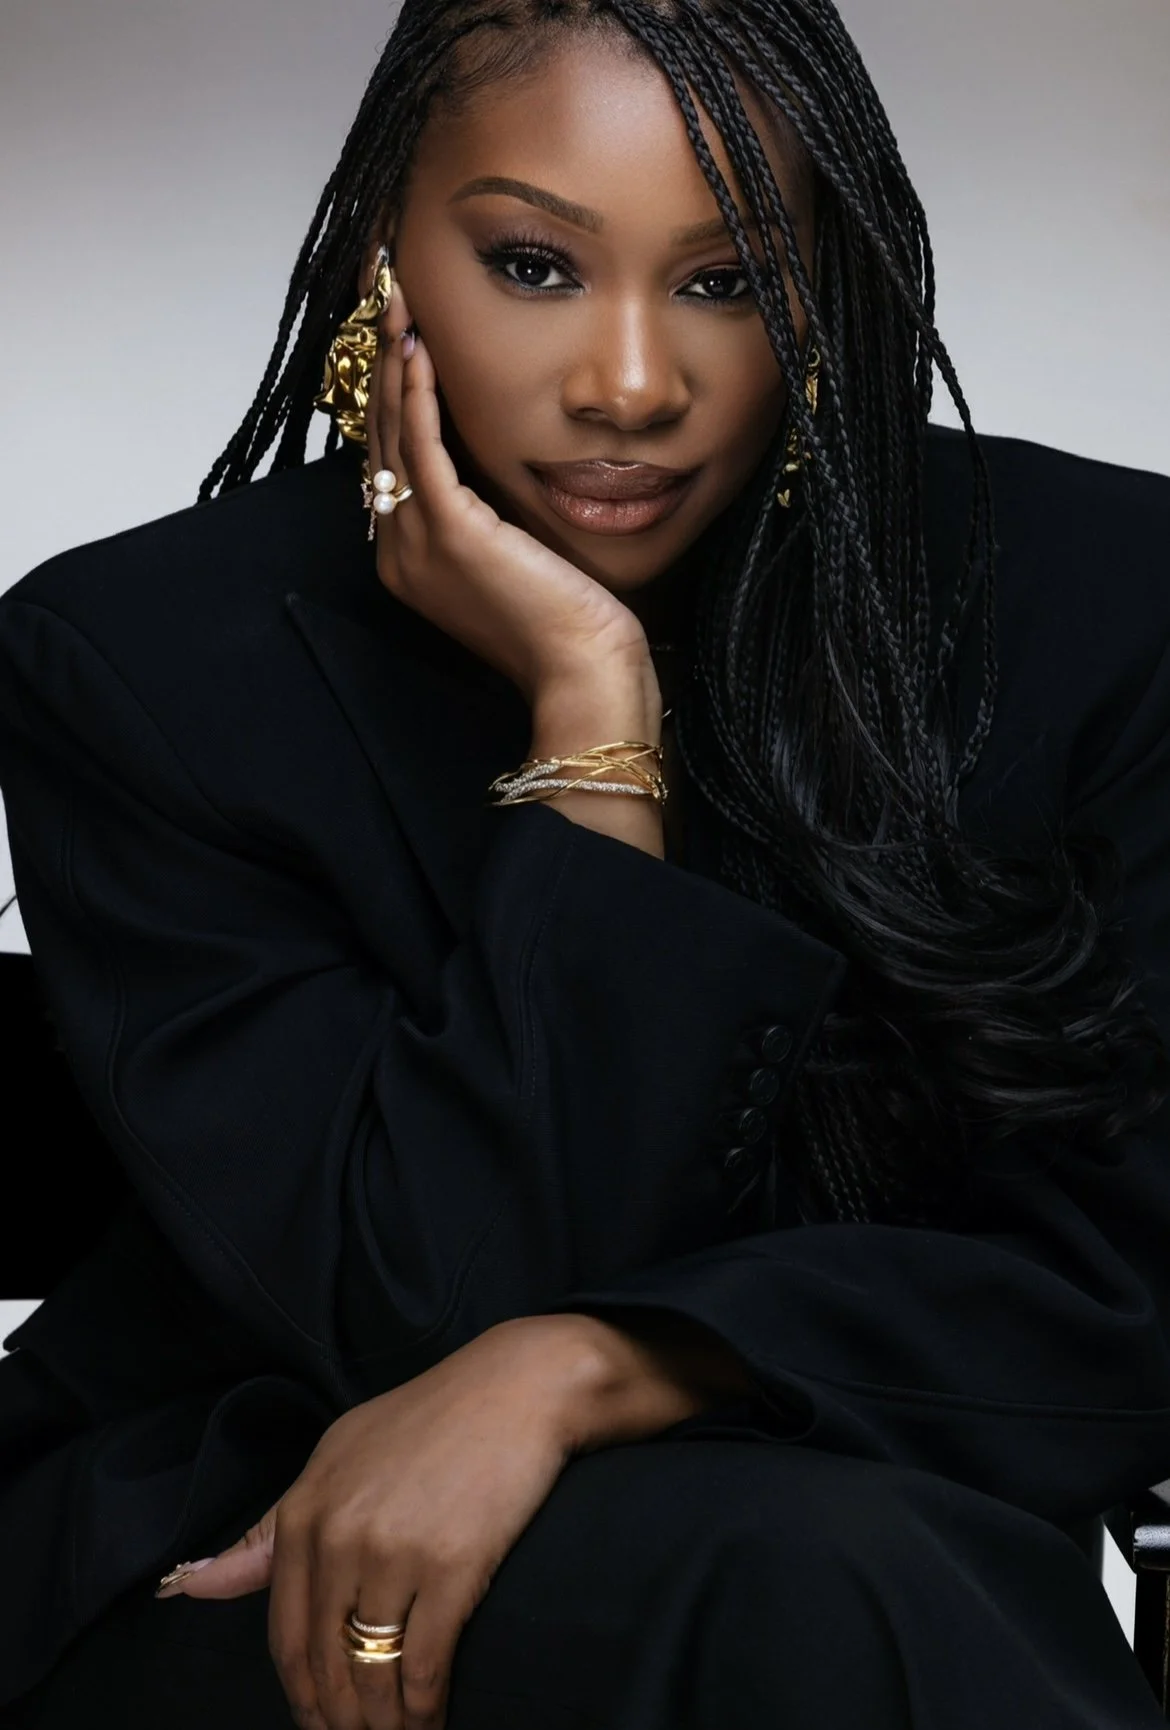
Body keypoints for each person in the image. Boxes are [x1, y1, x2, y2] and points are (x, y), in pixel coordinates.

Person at [2, 0, 1170, 1724]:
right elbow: (432, 1303)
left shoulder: (1106, 601)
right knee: (823, 1571)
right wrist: (593, 716)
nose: (631, 383)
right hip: (264, 1555)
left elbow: (1127, 1275)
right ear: (384, 247)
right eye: (534, 266)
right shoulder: (146, 662)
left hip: (863, 1572)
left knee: (833, 1562)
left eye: (727, 280)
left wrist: (595, 1365)